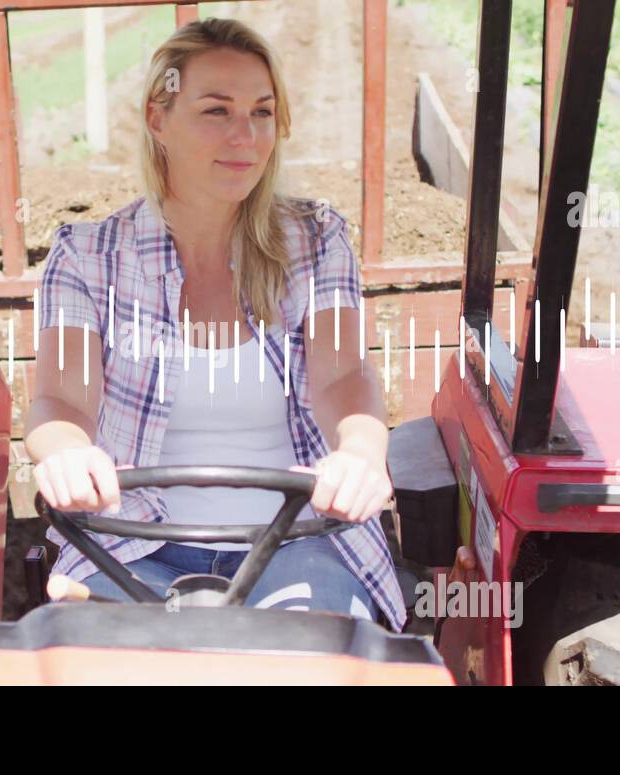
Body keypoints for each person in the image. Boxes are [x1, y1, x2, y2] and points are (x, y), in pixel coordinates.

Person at [26, 17, 405, 631]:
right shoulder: (89, 256)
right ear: (158, 118)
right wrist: (67, 455)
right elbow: (60, 400)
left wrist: (361, 453)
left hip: (299, 539)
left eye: (261, 112)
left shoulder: (315, 240)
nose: (246, 136)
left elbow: (343, 380)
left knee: (317, 659)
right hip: (132, 544)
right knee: (97, 659)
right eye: (216, 111)